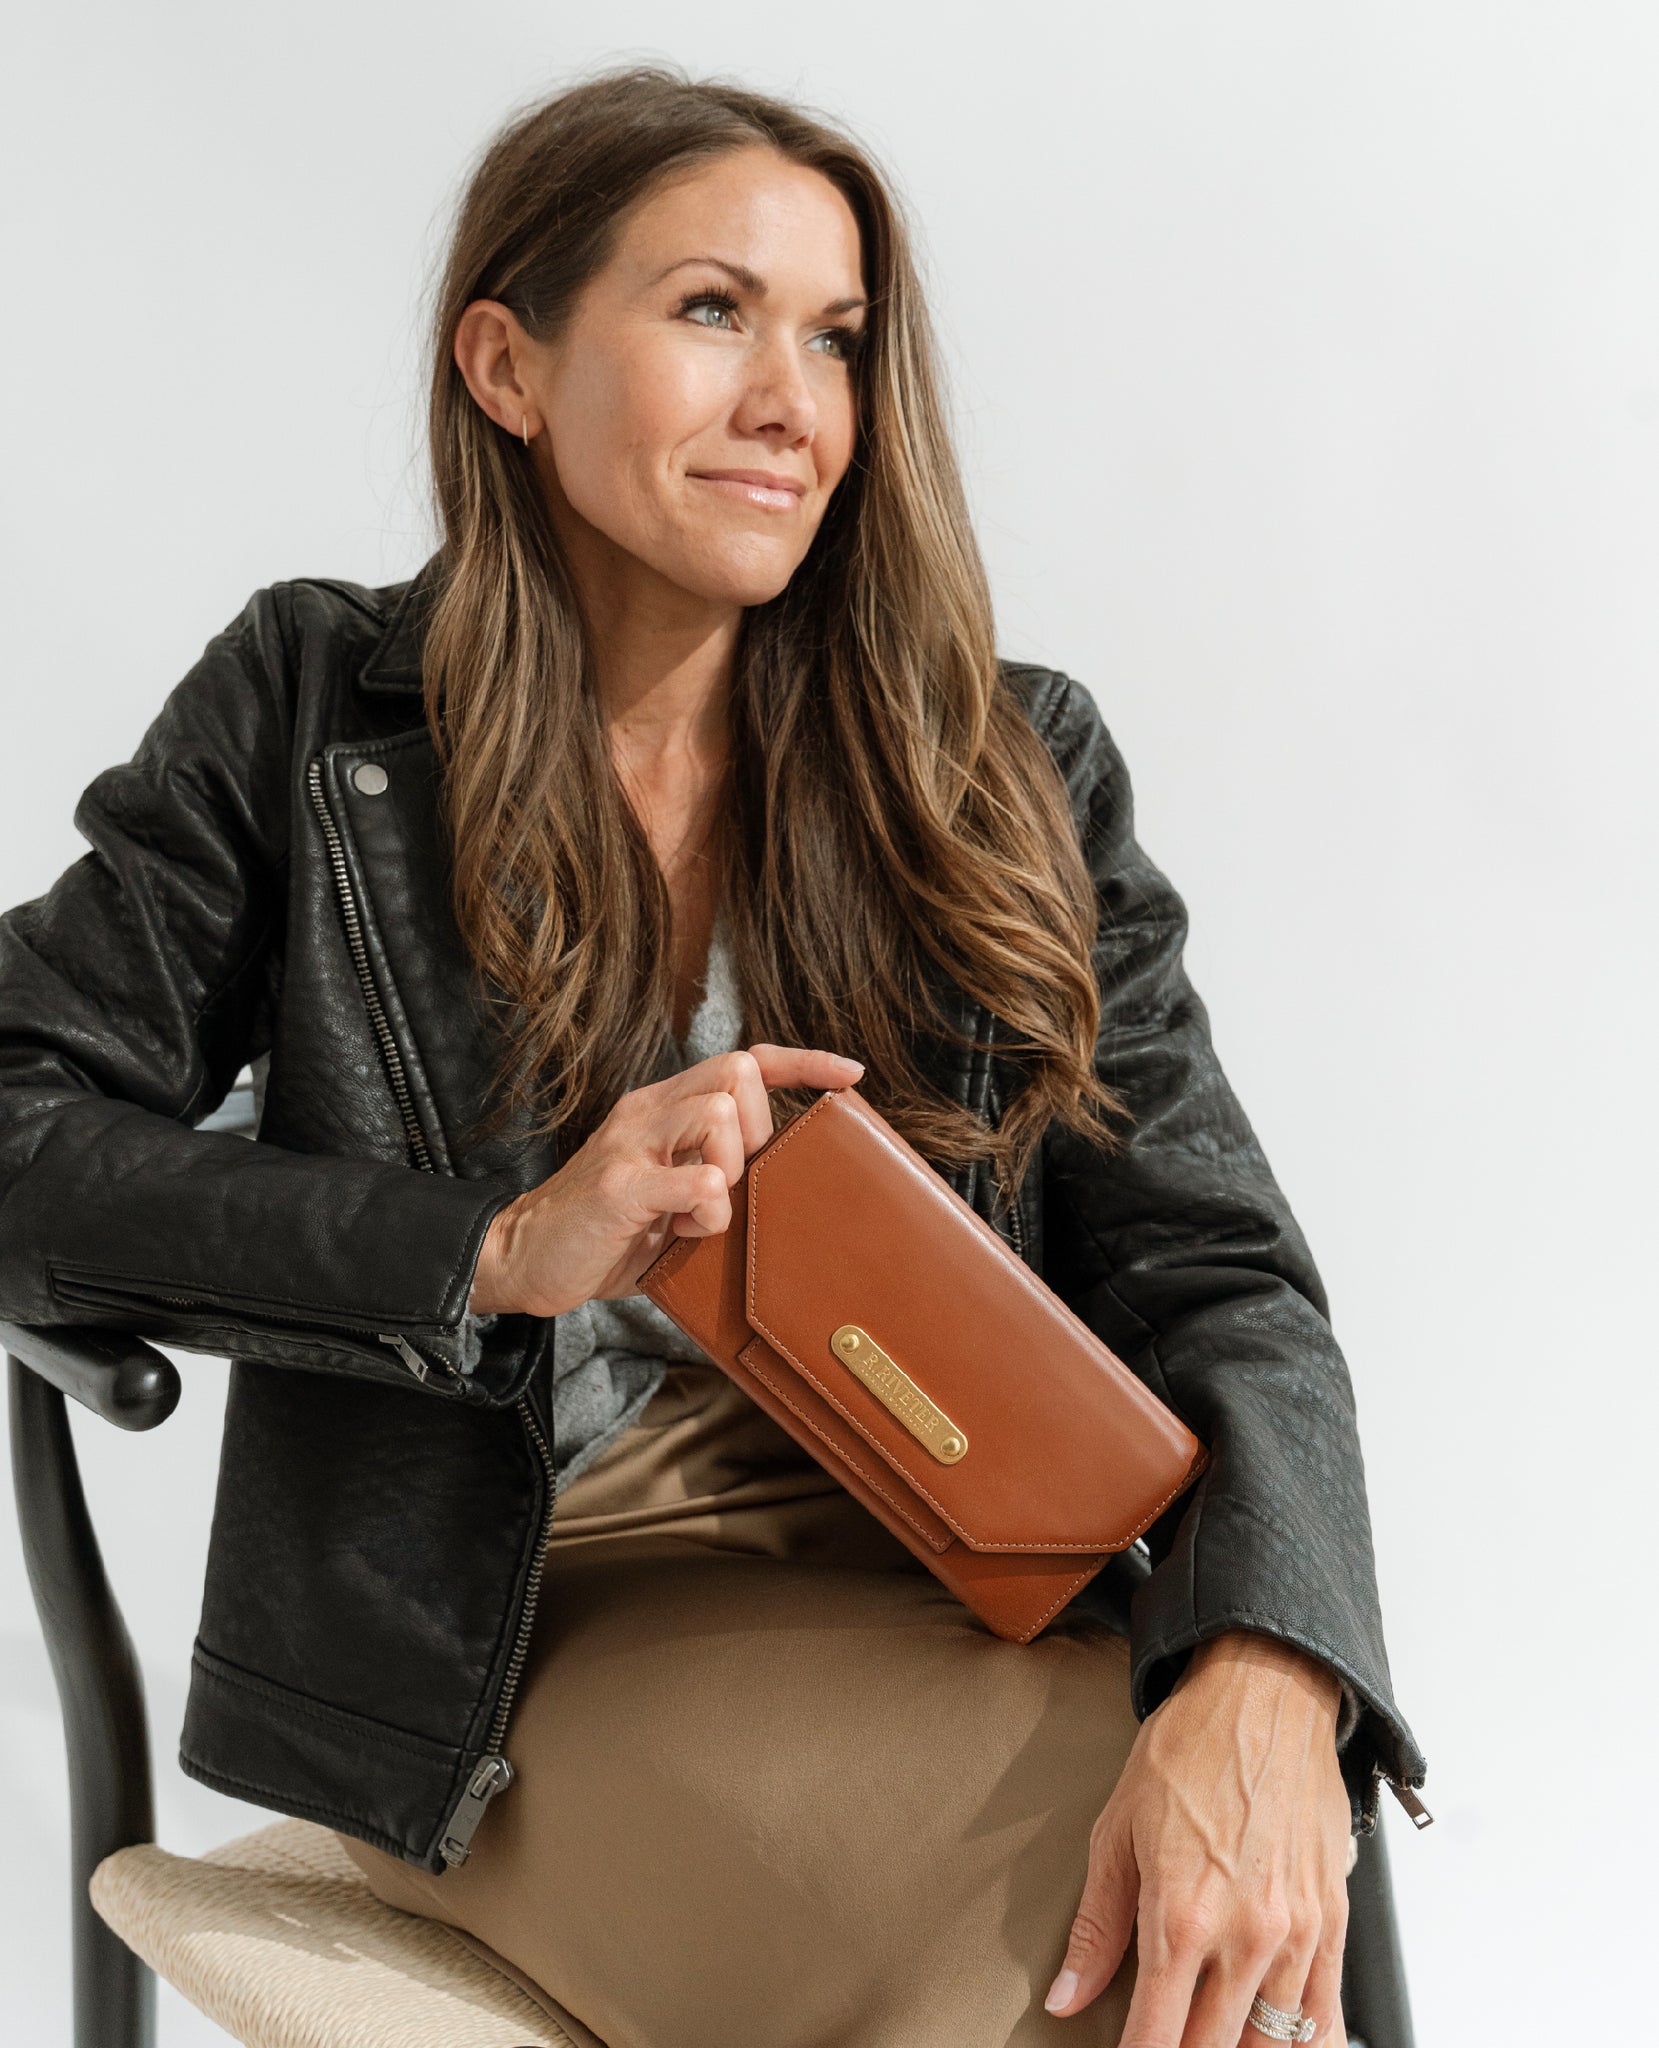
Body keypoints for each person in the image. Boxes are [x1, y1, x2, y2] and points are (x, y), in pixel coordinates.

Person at [0, 63, 1425, 2048]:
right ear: (507, 363)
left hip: (971, 1584)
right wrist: (494, 1245)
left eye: (834, 338)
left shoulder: (995, 768)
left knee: (1232, 1889)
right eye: (709, 311)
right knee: (1100, 1977)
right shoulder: (315, 715)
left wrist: (1271, 1665)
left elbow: (1218, 1273)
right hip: (529, 1634)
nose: (793, 400)